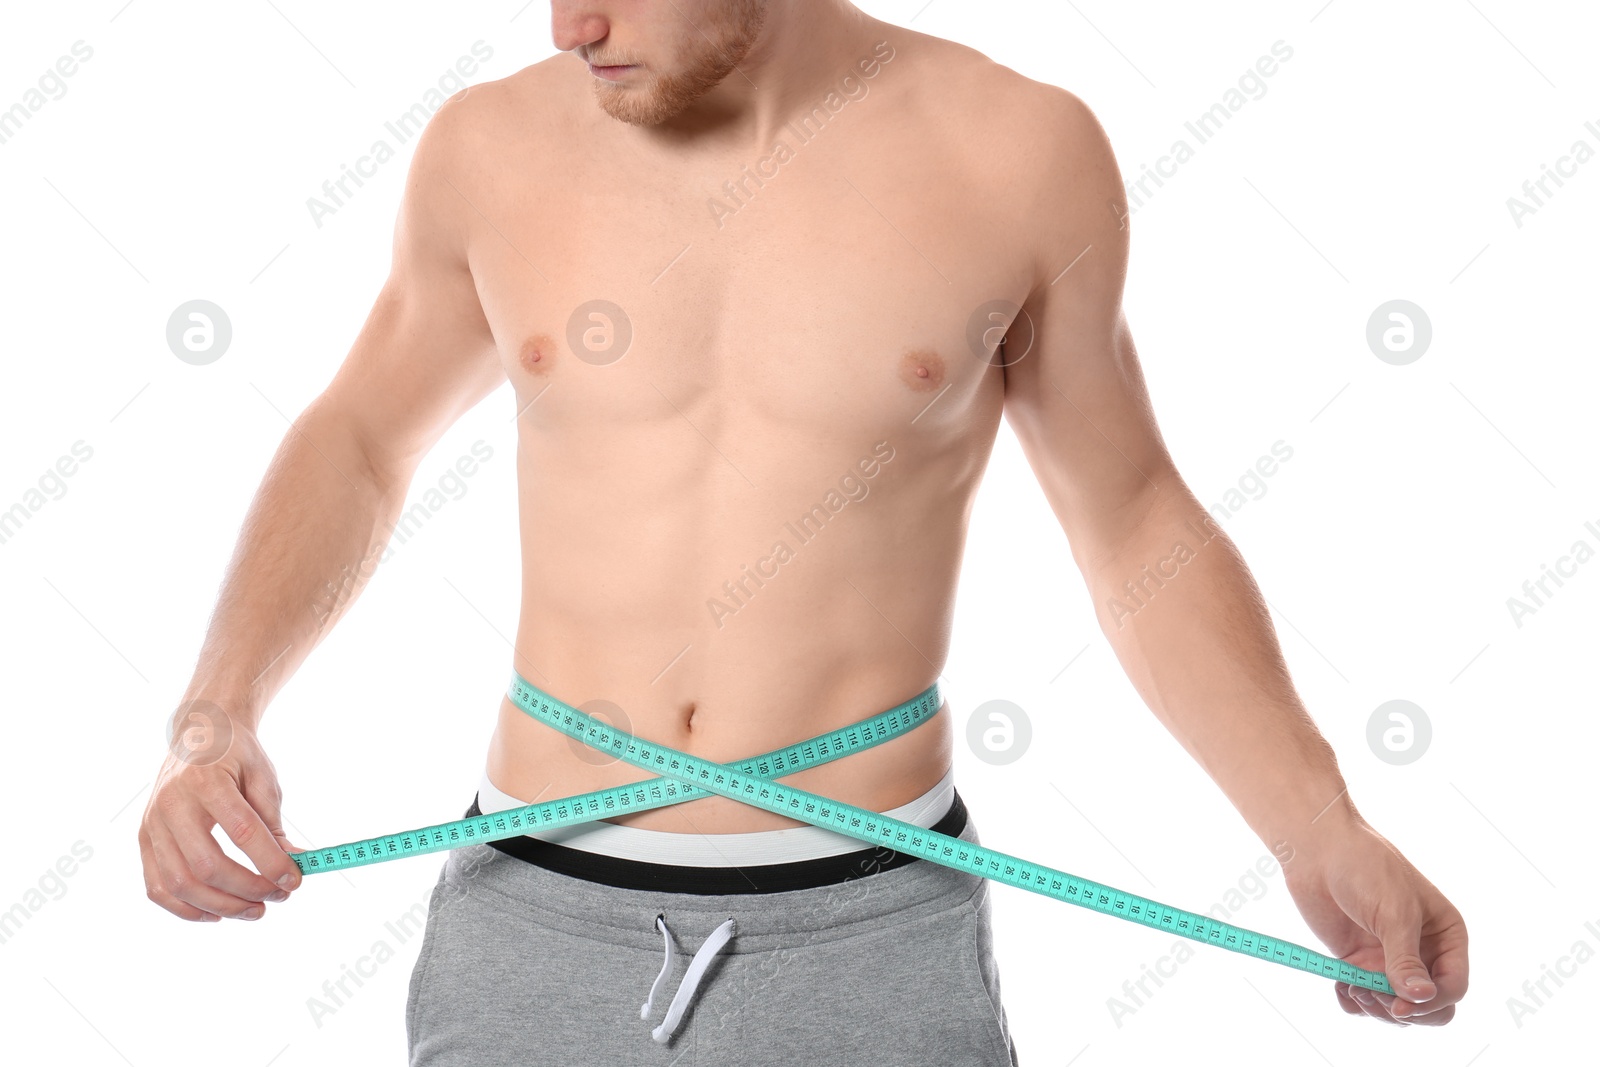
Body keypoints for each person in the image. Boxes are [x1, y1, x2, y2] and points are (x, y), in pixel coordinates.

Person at [137, 1, 1470, 1062]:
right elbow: (364, 434)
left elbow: (1130, 521)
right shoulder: (489, 150)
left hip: (868, 930)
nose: (566, 24)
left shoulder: (1016, 152)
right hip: (531, 919)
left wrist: (1318, 824)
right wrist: (216, 714)